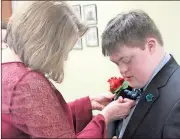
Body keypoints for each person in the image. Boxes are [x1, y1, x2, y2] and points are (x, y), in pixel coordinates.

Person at [2, 1, 136, 138]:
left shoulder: (7, 68)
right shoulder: (27, 83)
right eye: (64, 50)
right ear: (46, 45)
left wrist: (88, 104)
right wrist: (105, 117)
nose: (64, 58)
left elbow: (42, 120)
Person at [102, 9, 180, 139]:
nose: (122, 70)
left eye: (126, 60)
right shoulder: (131, 84)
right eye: (116, 63)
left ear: (150, 46)